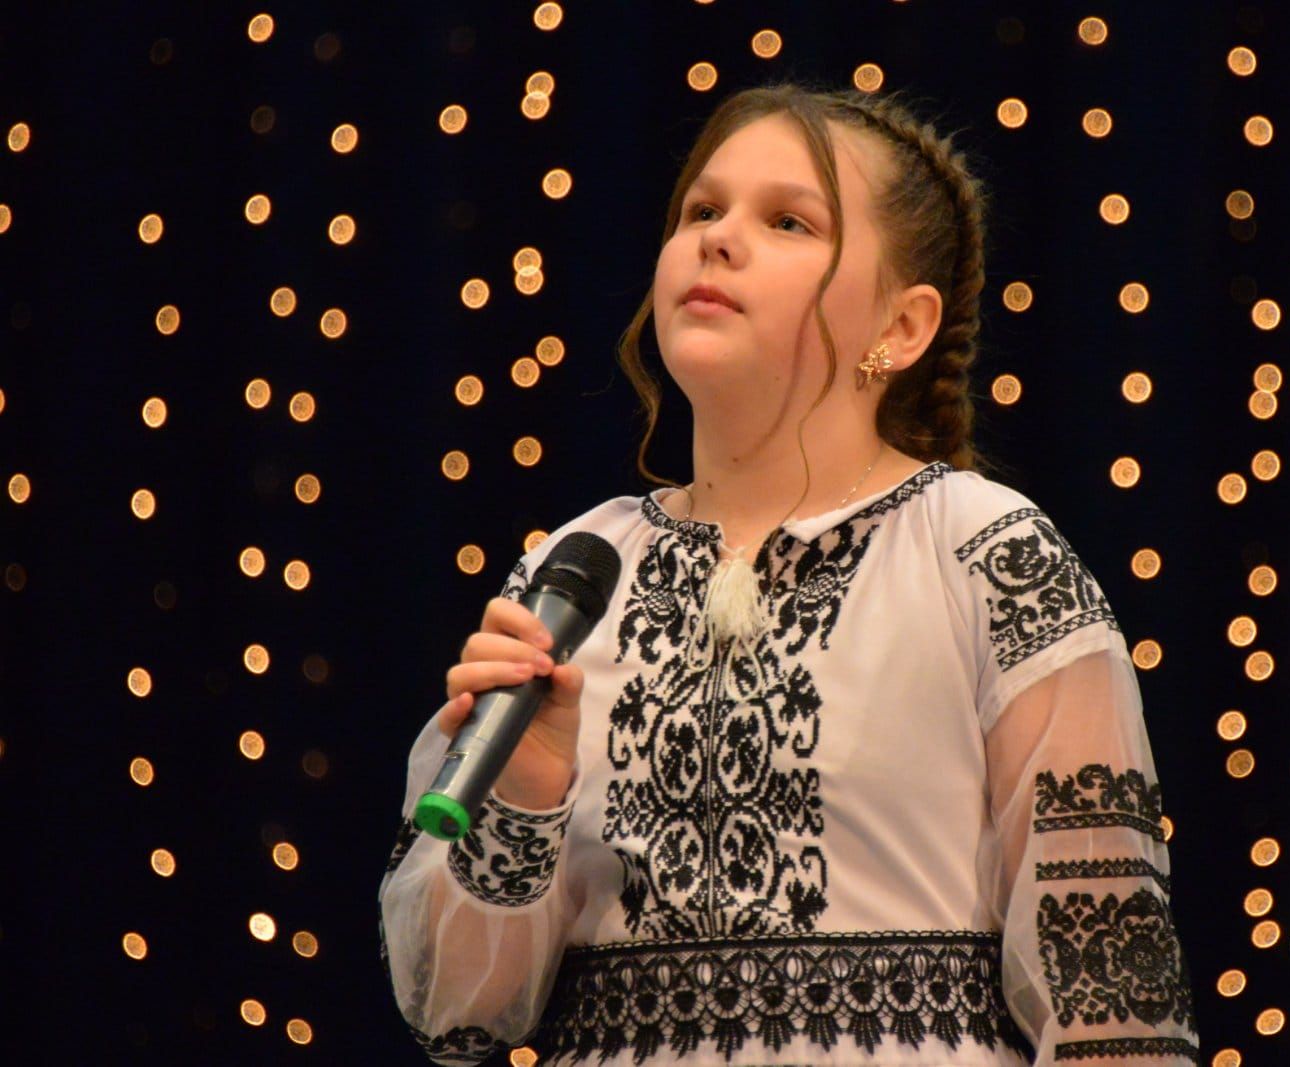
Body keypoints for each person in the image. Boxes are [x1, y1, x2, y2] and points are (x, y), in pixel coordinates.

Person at [380, 81, 1200, 1066]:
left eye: (788, 221)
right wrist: (525, 790)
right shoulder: (575, 571)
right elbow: (458, 1017)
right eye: (701, 210)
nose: (719, 240)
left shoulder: (987, 553)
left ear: (902, 327)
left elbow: (1110, 994)